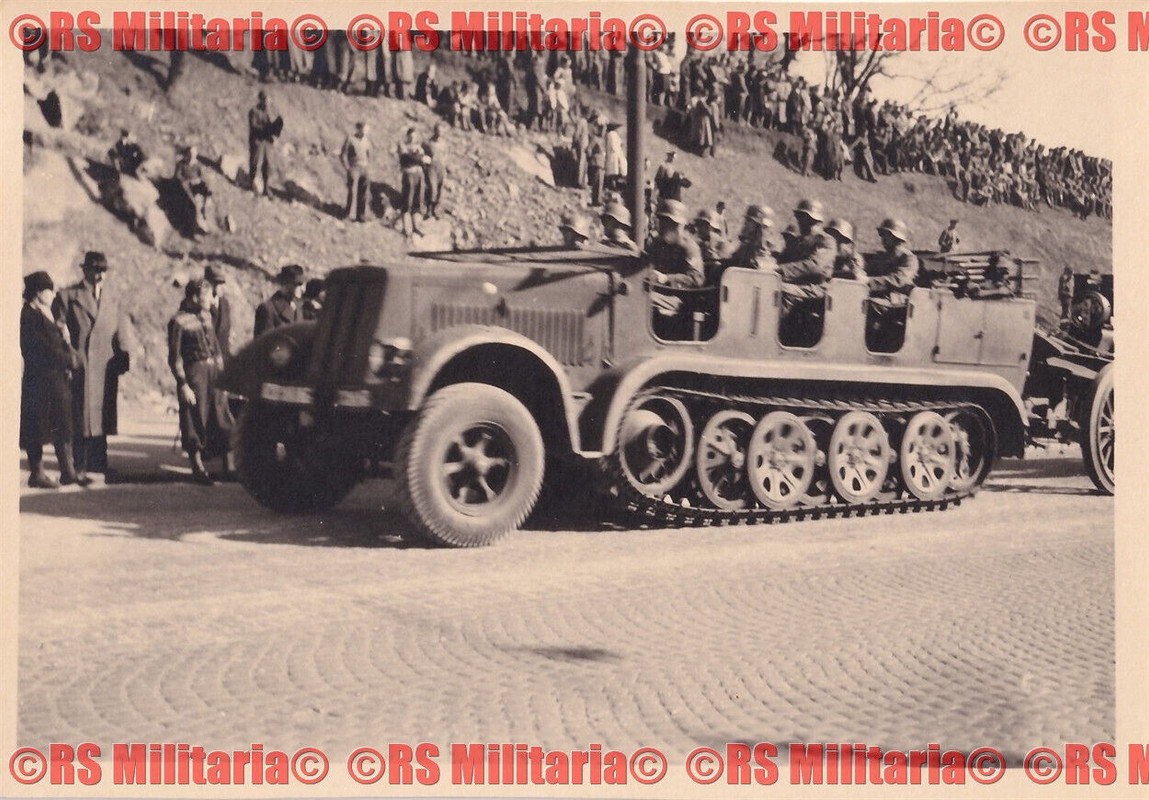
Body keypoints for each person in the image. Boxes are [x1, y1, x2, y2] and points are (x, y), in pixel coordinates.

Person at [53, 251, 134, 479]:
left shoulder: (112, 297)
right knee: (81, 416)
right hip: (82, 364)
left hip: (105, 364)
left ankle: (100, 462)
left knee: (102, 415)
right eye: (96, 270)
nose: (100, 275)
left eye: (103, 271)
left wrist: (124, 354)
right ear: (85, 270)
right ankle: (79, 466)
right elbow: (59, 331)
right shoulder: (68, 296)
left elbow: (121, 328)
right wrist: (69, 358)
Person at [21, 271, 89, 489]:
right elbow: (40, 348)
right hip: (39, 380)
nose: (53, 294)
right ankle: (37, 473)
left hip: (55, 380)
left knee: (63, 424)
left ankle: (67, 471)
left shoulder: (46, 314)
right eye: (49, 290)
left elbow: (56, 343)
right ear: (38, 293)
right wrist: (68, 359)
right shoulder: (28, 316)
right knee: (37, 428)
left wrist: (66, 344)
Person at [169, 279, 229, 484]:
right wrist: (183, 384)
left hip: (214, 372)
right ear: (194, 297)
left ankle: (226, 466)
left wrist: (223, 374)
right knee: (194, 417)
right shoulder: (178, 321)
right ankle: (197, 468)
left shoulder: (207, 316)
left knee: (219, 415)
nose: (212, 299)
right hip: (195, 374)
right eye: (207, 295)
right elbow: (175, 357)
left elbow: (216, 347)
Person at [646, 200, 704, 287]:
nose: (664, 227)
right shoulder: (656, 243)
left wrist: (667, 278)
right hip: (655, 292)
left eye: (670, 223)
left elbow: (696, 280)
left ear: (680, 226)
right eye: (662, 221)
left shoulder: (689, 247)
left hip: (679, 295)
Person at [254, 265, 306, 336]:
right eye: (298, 284)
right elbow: (264, 344)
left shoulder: (298, 307)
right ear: (285, 284)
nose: (303, 289)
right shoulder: (267, 309)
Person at [248, 90, 282, 196]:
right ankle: (251, 183)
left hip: (265, 141)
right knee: (255, 162)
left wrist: (274, 129)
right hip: (257, 140)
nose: (267, 103)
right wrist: (266, 130)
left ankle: (266, 187)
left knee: (267, 164)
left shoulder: (266, 113)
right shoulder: (253, 111)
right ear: (261, 100)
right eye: (266, 100)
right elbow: (253, 127)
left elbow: (268, 126)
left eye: (268, 101)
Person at [725, 204, 777, 274]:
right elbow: (731, 263)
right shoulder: (746, 247)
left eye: (749, 221)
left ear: (759, 226)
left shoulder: (763, 258)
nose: (745, 223)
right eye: (746, 220)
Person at [397, 126, 428, 236]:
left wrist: (420, 158)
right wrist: (419, 158)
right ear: (407, 136)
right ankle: (406, 228)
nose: (412, 138)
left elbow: (423, 159)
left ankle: (417, 226)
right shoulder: (403, 145)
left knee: (418, 200)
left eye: (414, 136)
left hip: (418, 174)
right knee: (407, 200)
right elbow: (406, 158)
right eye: (411, 136)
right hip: (409, 174)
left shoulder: (418, 147)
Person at [174, 145, 212, 232]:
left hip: (196, 185)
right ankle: (196, 221)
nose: (192, 156)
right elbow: (177, 177)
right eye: (190, 154)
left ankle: (205, 207)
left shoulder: (197, 165)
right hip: (185, 186)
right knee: (186, 188)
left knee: (206, 187)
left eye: (194, 154)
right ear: (187, 154)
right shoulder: (181, 164)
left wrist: (198, 180)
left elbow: (203, 177)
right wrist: (188, 181)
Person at [339, 121, 371, 223]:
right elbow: (343, 155)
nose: (365, 132)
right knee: (352, 191)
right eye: (364, 129)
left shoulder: (367, 142)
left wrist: (367, 167)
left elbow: (369, 155)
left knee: (364, 192)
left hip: (364, 169)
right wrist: (348, 168)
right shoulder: (351, 139)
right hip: (354, 168)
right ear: (359, 129)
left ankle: (361, 215)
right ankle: (348, 214)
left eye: (367, 130)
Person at [693, 208, 730, 284]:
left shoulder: (722, 245)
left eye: (703, 225)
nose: (699, 228)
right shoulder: (698, 243)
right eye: (698, 224)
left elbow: (725, 269)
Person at [204, 265, 232, 363]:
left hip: (224, 361)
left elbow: (225, 338)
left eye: (220, 283)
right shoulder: (200, 306)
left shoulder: (225, 304)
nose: (218, 287)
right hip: (207, 364)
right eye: (214, 283)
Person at [423, 125, 445, 219]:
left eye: (441, 131)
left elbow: (445, 155)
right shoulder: (428, 143)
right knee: (432, 188)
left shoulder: (444, 143)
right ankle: (428, 209)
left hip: (441, 167)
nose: (439, 133)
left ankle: (435, 210)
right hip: (431, 167)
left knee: (440, 189)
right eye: (438, 130)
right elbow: (422, 154)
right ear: (434, 131)